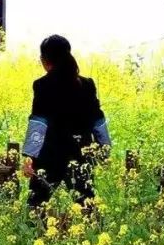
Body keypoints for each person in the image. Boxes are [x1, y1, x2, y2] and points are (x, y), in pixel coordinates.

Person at [21, 35, 111, 208]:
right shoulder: (86, 84)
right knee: (87, 205)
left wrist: (30, 157)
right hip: (81, 154)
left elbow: (38, 124)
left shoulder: (42, 85)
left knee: (36, 207)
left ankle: (36, 234)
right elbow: (98, 119)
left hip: (49, 156)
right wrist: (104, 149)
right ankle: (93, 234)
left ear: (45, 60)